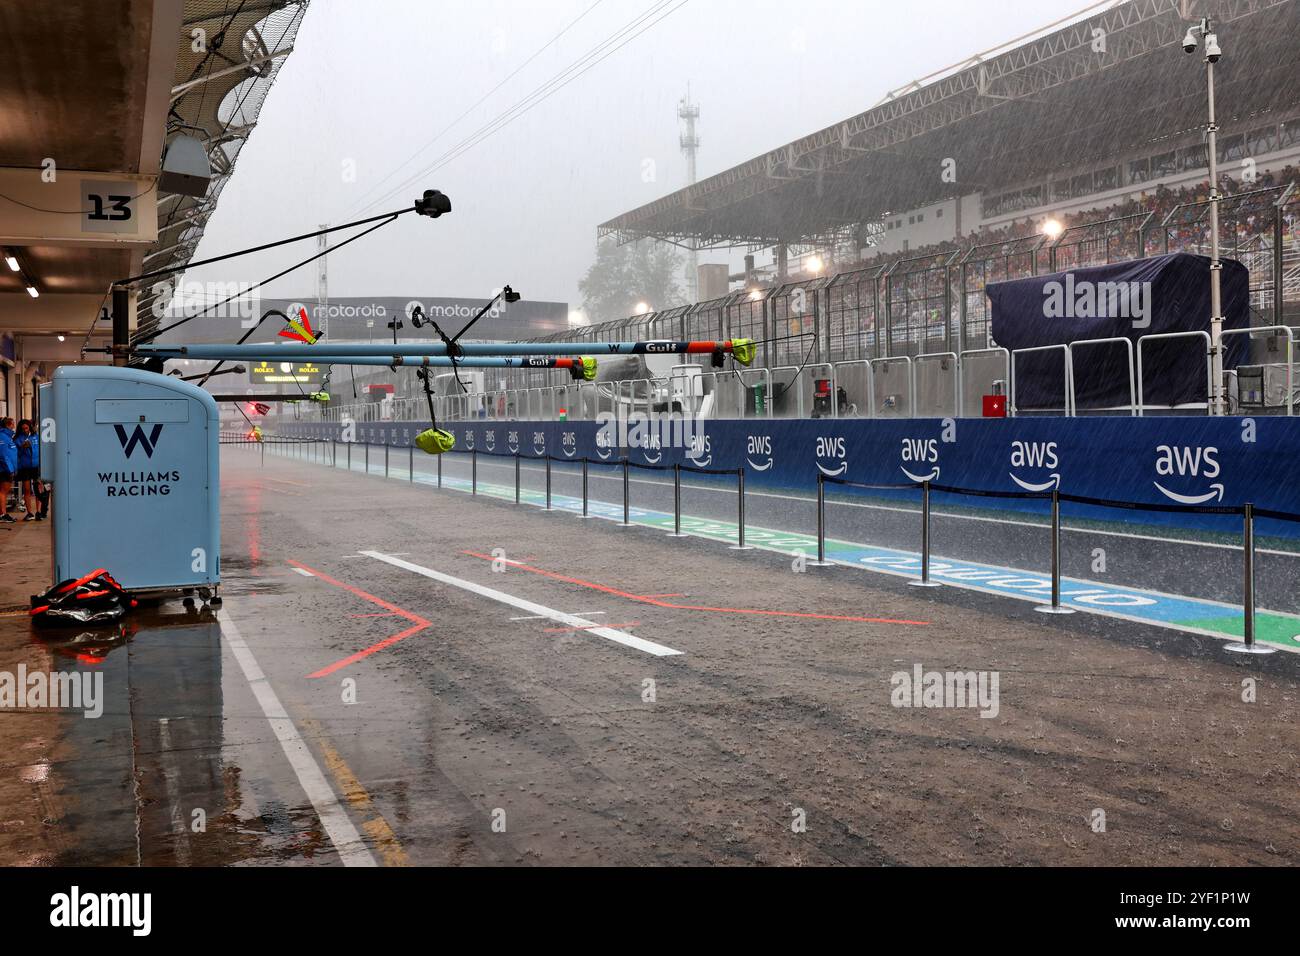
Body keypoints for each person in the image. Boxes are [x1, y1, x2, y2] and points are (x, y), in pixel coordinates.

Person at [15, 419, 41, 521]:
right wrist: (22, 448)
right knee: (27, 490)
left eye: (26, 428)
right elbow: (16, 454)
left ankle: (38, 511)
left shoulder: (35, 436)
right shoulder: (17, 439)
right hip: (25, 467)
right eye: (23, 429)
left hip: (35, 466)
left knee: (37, 489)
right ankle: (30, 512)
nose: (25, 430)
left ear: (30, 427)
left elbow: (40, 449)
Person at [0, 418, 15, 523]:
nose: (14, 425)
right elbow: (3, 455)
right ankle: (3, 514)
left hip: (7, 468)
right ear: (9, 424)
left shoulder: (8, 436)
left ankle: (3, 513)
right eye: (13, 423)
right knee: (3, 492)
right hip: (5, 468)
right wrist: (10, 469)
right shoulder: (3, 437)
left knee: (4, 492)